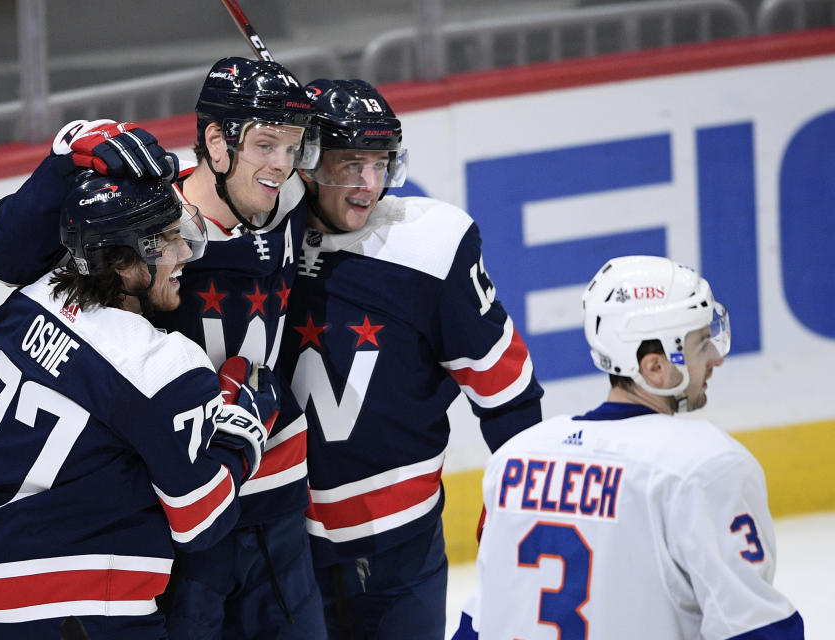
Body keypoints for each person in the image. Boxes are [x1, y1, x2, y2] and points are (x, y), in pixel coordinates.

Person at [0, 57, 328, 639]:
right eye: (267, 146)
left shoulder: (287, 200)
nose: (282, 167)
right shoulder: (138, 220)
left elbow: (352, 165)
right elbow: (2, 257)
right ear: (217, 141)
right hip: (181, 513)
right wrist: (63, 164)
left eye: (292, 149)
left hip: (277, 500)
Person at [0, 173, 278, 640]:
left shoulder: (28, 303)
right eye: (166, 241)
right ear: (119, 261)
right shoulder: (164, 364)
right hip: (75, 608)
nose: (184, 255)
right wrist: (241, 433)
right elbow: (200, 520)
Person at [278, 78, 545, 639]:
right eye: (349, 163)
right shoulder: (257, 240)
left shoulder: (432, 246)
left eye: (380, 163)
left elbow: (508, 393)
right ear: (305, 161)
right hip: (281, 548)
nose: (367, 185)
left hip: (400, 547)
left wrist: (525, 509)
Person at [452, 255, 805, 640]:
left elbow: (477, 627)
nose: (716, 357)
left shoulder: (514, 460)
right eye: (701, 344)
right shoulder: (704, 466)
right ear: (654, 368)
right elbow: (756, 631)